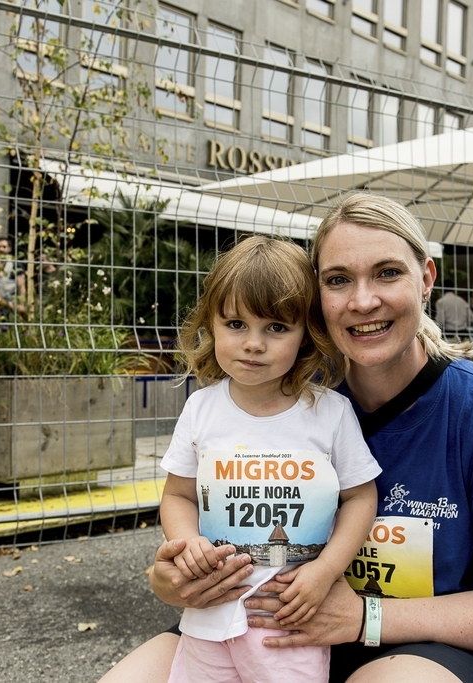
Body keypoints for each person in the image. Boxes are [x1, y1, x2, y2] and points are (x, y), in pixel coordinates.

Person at [100, 192, 473, 683]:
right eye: (337, 280)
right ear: (316, 299)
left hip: (422, 644)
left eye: (388, 273)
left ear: (426, 279)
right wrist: (170, 581)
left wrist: (366, 618)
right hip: (262, 624)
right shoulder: (276, 391)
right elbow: (187, 504)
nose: (362, 300)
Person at [159, 236, 380, 683]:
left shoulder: (330, 413)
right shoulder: (200, 409)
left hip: (288, 619)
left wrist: (325, 570)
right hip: (210, 616)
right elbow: (178, 495)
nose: (253, 344)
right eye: (236, 324)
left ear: (305, 335)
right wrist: (187, 543)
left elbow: (360, 497)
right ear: (211, 325)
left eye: (276, 327)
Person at [0, 236, 25, 310]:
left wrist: (21, 304)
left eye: (4, 247)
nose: (1, 249)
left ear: (9, 249)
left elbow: (21, 286)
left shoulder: (16, 264)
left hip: (11, 301)